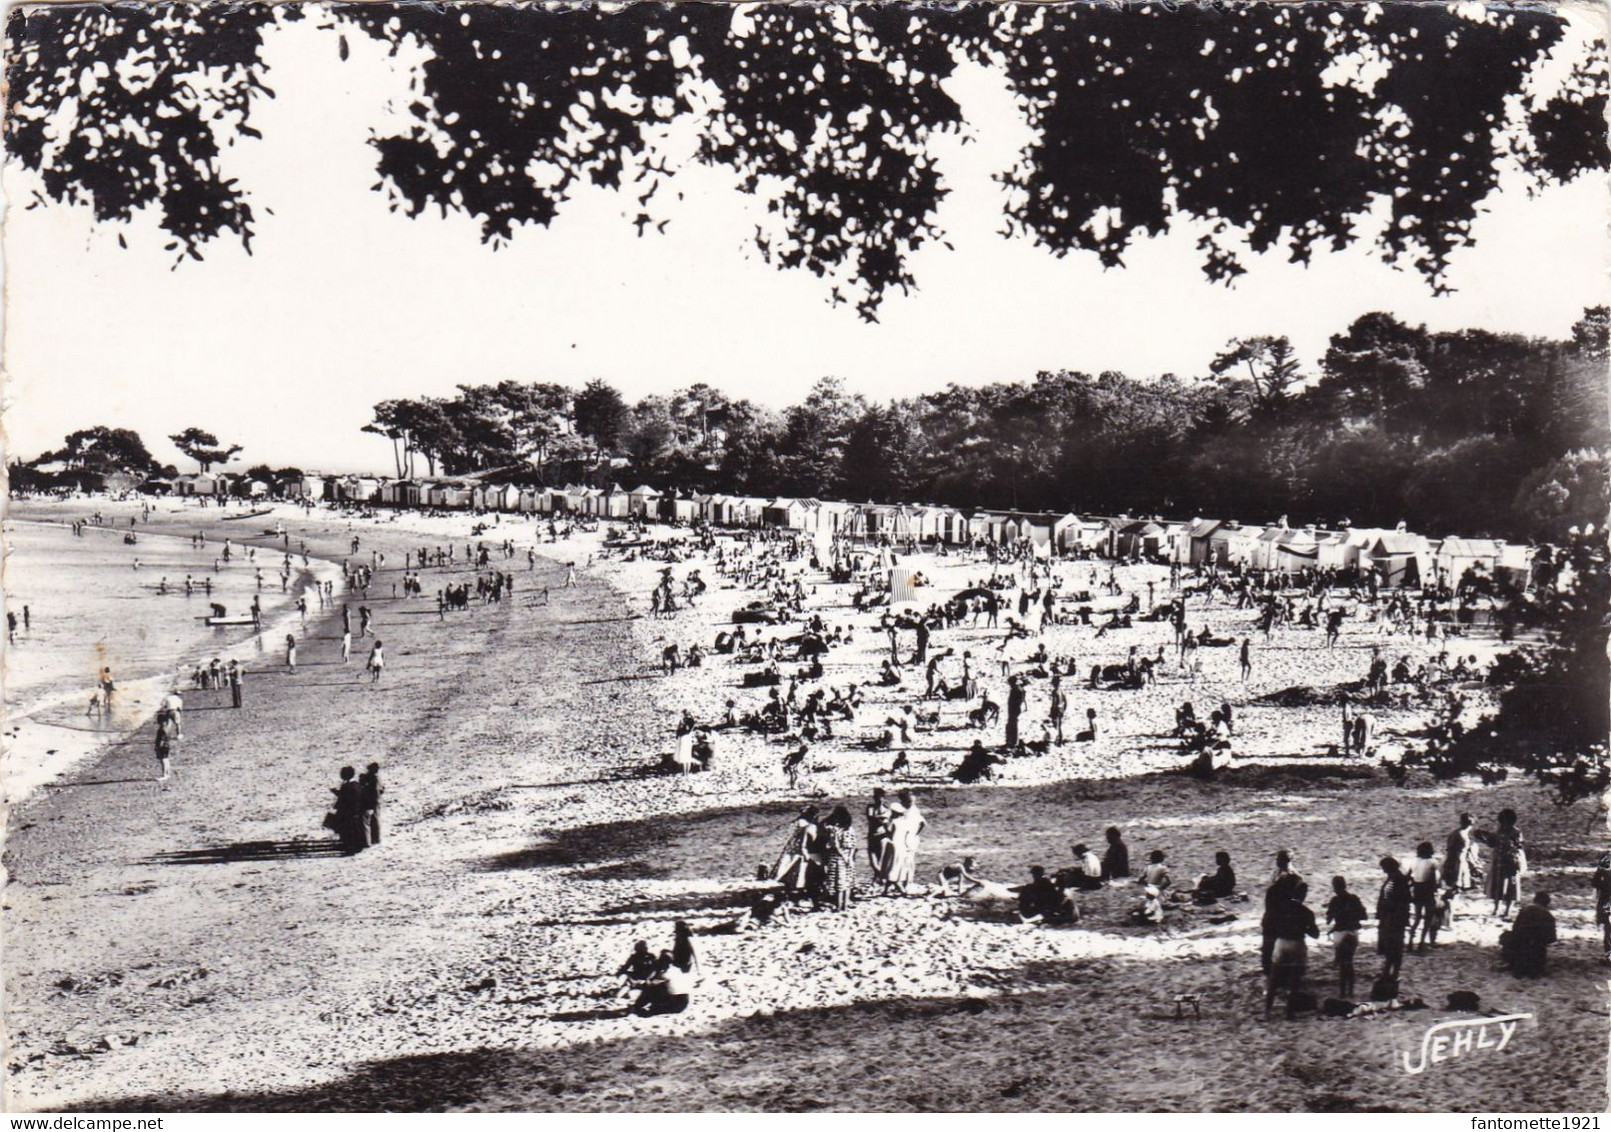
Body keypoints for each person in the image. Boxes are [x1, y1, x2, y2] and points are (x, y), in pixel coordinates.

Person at [1263, 875, 1319, 1021]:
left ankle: (1267, 1012)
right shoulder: (1306, 912)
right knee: (1295, 981)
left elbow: (1272, 926)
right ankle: (1289, 1013)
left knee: (1274, 979)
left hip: (1281, 942)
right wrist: (1304, 928)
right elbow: (1315, 934)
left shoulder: (1280, 907)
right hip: (1297, 944)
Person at [1476, 808, 1526, 919]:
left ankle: (1507, 910)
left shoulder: (1516, 832)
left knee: (1510, 888)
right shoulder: (1499, 831)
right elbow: (1492, 843)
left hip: (1511, 863)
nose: (1504, 825)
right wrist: (1485, 838)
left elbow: (1519, 847)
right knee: (1498, 886)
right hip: (1499, 863)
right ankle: (1496, 908)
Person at [1325, 876, 1367, 1000]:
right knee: (1349, 962)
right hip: (1353, 933)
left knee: (1344, 964)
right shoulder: (1354, 899)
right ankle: (1350, 991)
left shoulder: (1334, 901)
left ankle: (1343, 992)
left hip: (1340, 934)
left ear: (1334, 887)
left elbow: (1328, 920)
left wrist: (1334, 913)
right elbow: (1364, 916)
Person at [1501, 892, 1557, 977]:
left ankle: (1512, 962)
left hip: (1520, 947)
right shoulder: (1549, 916)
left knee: (1506, 936)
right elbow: (1552, 939)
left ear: (1535, 900)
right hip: (1537, 952)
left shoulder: (1525, 910)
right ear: (1547, 904)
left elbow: (1515, 928)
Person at [1376, 856, 1411, 981]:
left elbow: (1403, 901)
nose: (1383, 870)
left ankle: (1392, 972)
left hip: (1394, 919)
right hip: (1390, 918)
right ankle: (1390, 971)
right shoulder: (1394, 878)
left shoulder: (1398, 879)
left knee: (1394, 947)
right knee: (1393, 947)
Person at [885, 790, 926, 895]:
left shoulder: (913, 810)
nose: (910, 803)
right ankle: (898, 883)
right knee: (901, 862)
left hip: (909, 838)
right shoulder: (902, 810)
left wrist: (915, 834)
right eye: (908, 801)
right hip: (903, 838)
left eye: (911, 801)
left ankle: (905, 883)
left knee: (907, 862)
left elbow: (922, 823)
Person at [820, 806, 856, 912]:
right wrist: (849, 858)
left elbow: (835, 846)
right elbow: (853, 846)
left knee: (839, 884)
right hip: (848, 857)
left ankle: (840, 906)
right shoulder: (850, 829)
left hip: (837, 858)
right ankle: (845, 905)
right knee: (847, 883)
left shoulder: (834, 830)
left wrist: (844, 857)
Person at [1408, 840, 1442, 951]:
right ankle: (1422, 942)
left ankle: (1410, 942)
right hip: (1428, 891)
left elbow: (1408, 876)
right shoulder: (1433, 862)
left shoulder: (1414, 862)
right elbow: (1437, 878)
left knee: (1417, 918)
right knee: (1428, 918)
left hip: (1417, 890)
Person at [331, 766, 367, 853]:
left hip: (347, 812)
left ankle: (349, 846)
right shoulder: (356, 785)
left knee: (346, 830)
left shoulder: (346, 786)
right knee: (355, 829)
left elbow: (344, 799)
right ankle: (356, 846)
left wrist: (336, 793)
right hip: (356, 811)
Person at [1443, 812, 1477, 892]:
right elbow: (1451, 849)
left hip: (1461, 860)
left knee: (1458, 884)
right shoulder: (1458, 834)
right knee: (1456, 884)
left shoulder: (1462, 833)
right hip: (1457, 861)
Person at [866, 789, 895, 885]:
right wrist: (880, 818)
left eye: (881, 798)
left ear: (884, 798)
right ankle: (882, 877)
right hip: (872, 836)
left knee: (880, 860)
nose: (879, 800)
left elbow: (885, 824)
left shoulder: (887, 810)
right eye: (877, 797)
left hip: (882, 836)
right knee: (873, 861)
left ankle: (878, 878)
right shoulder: (870, 807)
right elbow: (870, 818)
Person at [359, 762, 383, 845]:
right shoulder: (376, 778)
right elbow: (381, 789)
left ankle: (374, 839)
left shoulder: (372, 778)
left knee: (372, 820)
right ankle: (376, 838)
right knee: (375, 819)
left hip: (372, 801)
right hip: (376, 801)